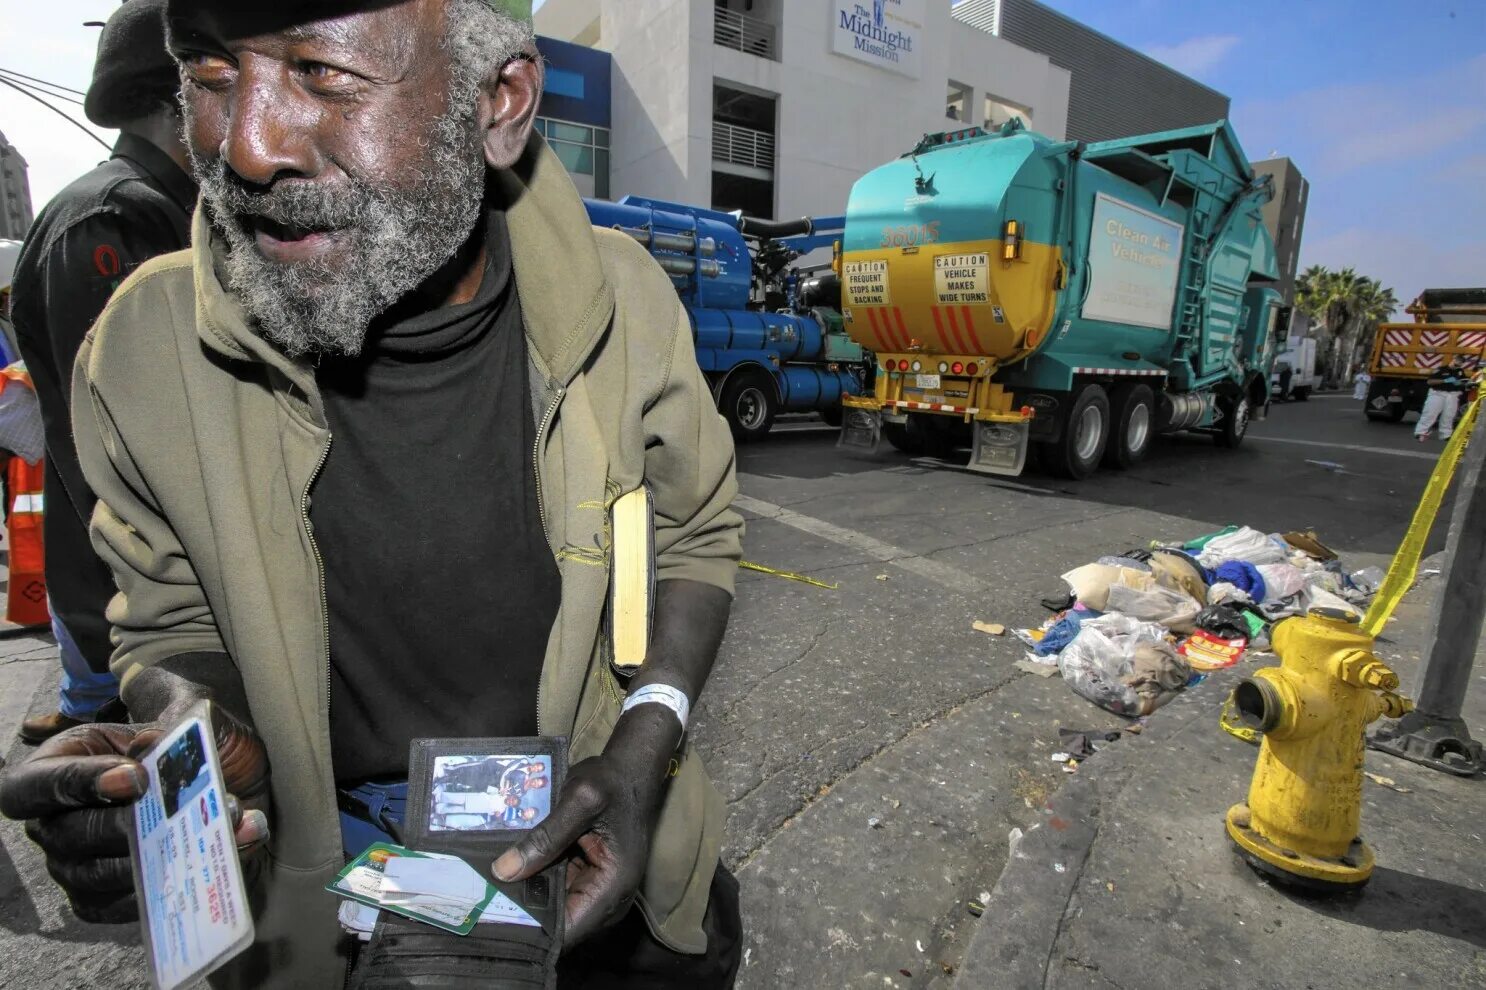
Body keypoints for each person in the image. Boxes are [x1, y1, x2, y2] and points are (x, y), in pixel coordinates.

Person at [0, 1, 744, 988]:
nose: (248, 145)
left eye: (321, 71)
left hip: (584, 828)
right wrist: (195, 733)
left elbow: (694, 535)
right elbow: (165, 613)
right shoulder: (139, 349)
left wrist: (645, 749)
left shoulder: (631, 302)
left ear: (501, 101)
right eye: (210, 74)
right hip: (319, 896)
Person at [8, 0, 197, 743]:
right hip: (137, 604)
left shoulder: (159, 209)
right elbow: (131, 442)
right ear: (176, 97)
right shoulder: (117, 219)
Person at [1414, 354, 1471, 441]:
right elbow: (1430, 382)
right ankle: (1420, 432)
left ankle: (1445, 435)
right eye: (1457, 362)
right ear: (1453, 360)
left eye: (1460, 363)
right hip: (1438, 394)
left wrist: (1460, 383)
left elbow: (1462, 382)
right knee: (1430, 413)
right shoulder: (1441, 369)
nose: (1458, 364)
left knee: (1449, 415)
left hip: (1452, 395)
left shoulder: (1460, 371)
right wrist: (1445, 380)